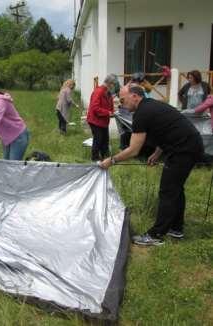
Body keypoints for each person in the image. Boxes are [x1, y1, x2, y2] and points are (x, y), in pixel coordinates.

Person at [100, 85, 204, 246]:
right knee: (176, 188)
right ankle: (176, 229)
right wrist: (157, 153)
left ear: (135, 96)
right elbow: (167, 130)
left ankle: (156, 235)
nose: (121, 104)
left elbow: (134, 150)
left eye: (122, 99)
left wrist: (111, 160)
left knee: (168, 190)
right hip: (189, 145)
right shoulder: (151, 106)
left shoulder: (142, 114)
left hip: (184, 149)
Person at [86, 74, 118, 161]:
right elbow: (95, 108)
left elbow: (110, 106)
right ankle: (95, 158)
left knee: (105, 140)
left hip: (103, 121)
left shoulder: (108, 93)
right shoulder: (99, 91)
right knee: (98, 140)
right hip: (95, 121)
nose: (114, 86)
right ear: (110, 83)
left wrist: (113, 111)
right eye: (114, 84)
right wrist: (108, 112)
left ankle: (105, 157)